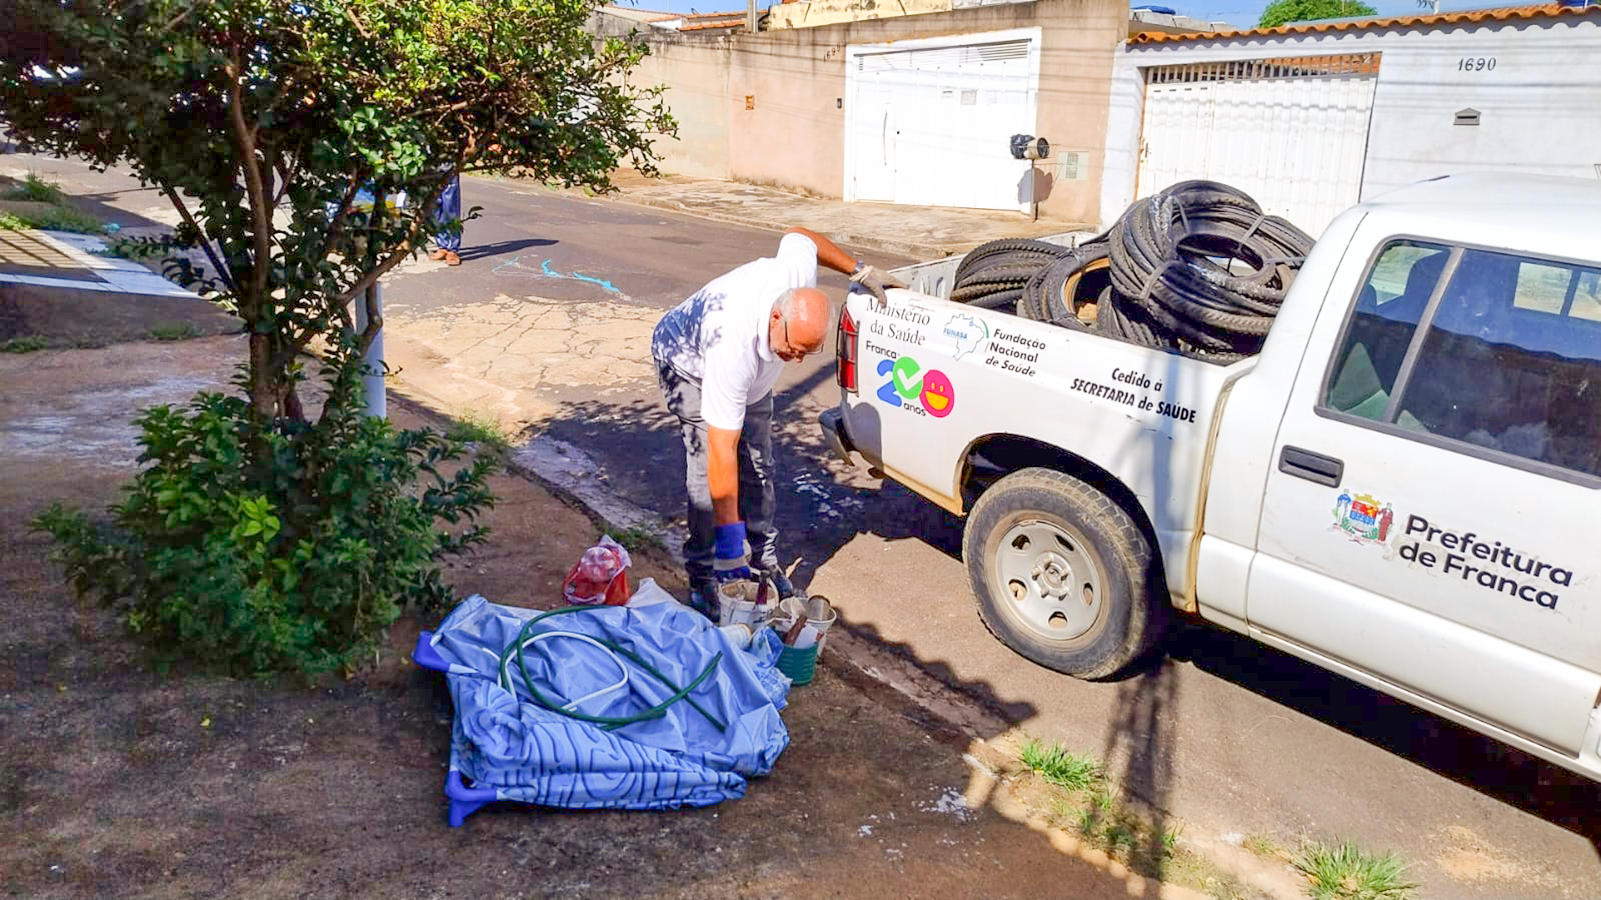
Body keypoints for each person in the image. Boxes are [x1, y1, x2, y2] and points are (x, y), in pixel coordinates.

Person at [651, 227, 905, 618]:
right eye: (793, 348)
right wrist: (730, 544)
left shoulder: (794, 278)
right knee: (707, 482)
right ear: (774, 317)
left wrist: (859, 270)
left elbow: (801, 236)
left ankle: (764, 566)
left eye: (808, 352)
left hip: (750, 382)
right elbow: (720, 450)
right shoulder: (732, 347)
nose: (798, 360)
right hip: (687, 364)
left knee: (758, 466)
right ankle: (703, 577)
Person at [429, 171, 462, 266]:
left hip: (449, 165)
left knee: (450, 207)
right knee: (433, 207)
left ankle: (452, 249)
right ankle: (442, 246)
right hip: (430, 166)